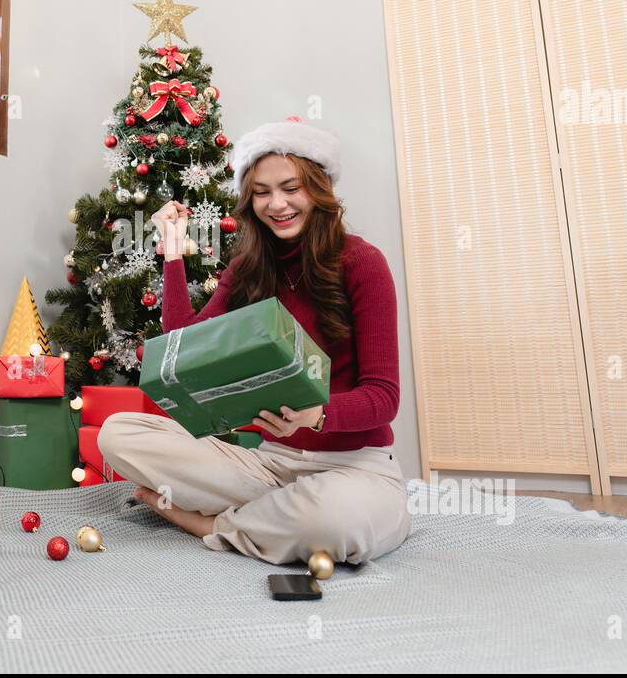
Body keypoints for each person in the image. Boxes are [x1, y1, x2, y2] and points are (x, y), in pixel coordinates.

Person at [97, 118, 411, 566]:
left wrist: (317, 414)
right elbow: (183, 343)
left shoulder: (363, 263)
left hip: (353, 467)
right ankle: (271, 516)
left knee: (333, 520)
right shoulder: (249, 268)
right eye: (262, 192)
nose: (277, 204)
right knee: (119, 433)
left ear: (318, 189)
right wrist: (171, 250)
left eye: (290, 188)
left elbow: (384, 397)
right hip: (267, 467)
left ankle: (212, 525)